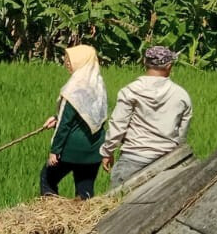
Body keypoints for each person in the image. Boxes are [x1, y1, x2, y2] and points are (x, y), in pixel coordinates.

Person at [102, 45, 193, 188]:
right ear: (169, 66)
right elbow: (182, 133)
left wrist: (108, 151)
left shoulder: (130, 91)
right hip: (166, 162)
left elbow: (118, 125)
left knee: (121, 201)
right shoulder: (181, 95)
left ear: (144, 62)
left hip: (132, 158)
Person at [41, 45, 108, 199]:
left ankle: (51, 211)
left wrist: (55, 150)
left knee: (47, 178)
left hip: (71, 149)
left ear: (81, 62)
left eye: (70, 60)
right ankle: (85, 212)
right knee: (85, 190)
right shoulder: (98, 85)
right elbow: (88, 115)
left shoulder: (73, 90)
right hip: (94, 150)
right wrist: (56, 118)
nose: (66, 63)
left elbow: (64, 124)